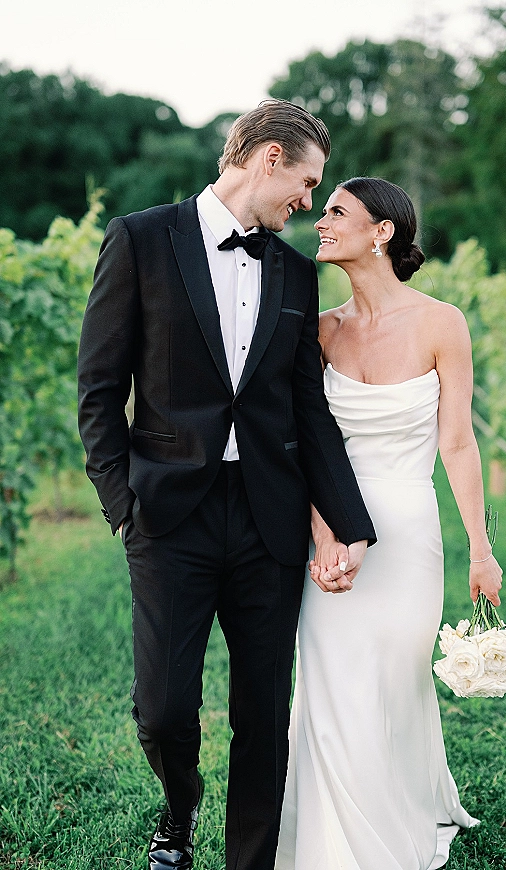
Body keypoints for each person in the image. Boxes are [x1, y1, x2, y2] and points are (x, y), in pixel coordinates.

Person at [77, 102, 376, 870]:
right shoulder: (141, 239)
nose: (309, 204)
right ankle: (179, 809)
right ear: (269, 159)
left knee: (262, 711)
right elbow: (99, 389)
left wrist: (349, 523)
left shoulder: (297, 274)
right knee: (165, 711)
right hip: (168, 515)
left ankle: (250, 862)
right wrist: (124, 506)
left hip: (268, 520)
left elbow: (308, 410)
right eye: (307, 183)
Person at [275, 177, 503, 870]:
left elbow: (457, 443)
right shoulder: (319, 330)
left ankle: (400, 808)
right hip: (337, 526)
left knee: (397, 680)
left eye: (337, 211)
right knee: (331, 678)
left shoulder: (442, 323)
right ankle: (335, 842)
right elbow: (305, 443)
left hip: (409, 528)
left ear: (383, 232)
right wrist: (325, 531)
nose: (320, 221)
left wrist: (480, 549)